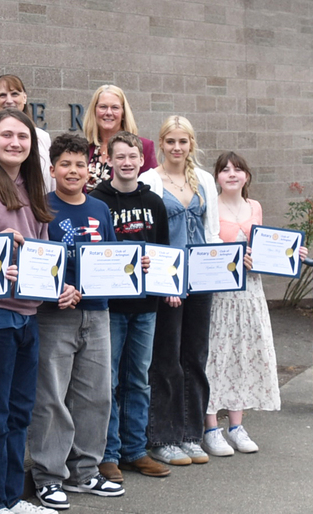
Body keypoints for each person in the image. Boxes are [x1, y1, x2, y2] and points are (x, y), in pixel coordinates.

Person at [0, 108, 76, 514]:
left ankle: (11, 498)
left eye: (23, 137)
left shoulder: (32, 186)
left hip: (27, 314)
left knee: (19, 412)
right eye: (6, 135)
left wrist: (58, 284)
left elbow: (40, 250)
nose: (15, 142)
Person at [29, 133, 127, 510]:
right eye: (65, 164)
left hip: (98, 312)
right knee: (52, 397)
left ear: (90, 169)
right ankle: (49, 476)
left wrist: (135, 267)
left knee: (96, 395)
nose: (73, 171)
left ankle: (86, 472)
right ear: (52, 169)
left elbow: (114, 256)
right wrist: (58, 288)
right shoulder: (41, 207)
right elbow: (37, 262)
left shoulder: (100, 208)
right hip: (54, 315)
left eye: (80, 164)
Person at [201, 152, 306, 457]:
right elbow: (208, 247)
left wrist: (291, 254)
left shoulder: (255, 207)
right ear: (217, 176)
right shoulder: (210, 206)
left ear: (247, 175)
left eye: (237, 169)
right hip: (221, 293)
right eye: (224, 170)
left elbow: (266, 249)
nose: (231, 174)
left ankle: (236, 425)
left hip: (251, 292)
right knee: (215, 356)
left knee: (244, 354)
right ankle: (211, 428)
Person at [88, 131, 171, 482]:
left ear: (141, 161)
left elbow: (165, 250)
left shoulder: (154, 203)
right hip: (111, 306)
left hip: (146, 305)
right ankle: (107, 453)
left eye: (132, 157)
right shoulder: (97, 201)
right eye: (119, 156)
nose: (126, 162)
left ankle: (135, 450)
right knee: (107, 380)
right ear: (109, 160)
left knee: (138, 379)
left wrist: (163, 275)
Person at [139, 115, 221, 467]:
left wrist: (219, 273)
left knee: (195, 357)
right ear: (161, 143)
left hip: (200, 281)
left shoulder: (204, 180)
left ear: (191, 144)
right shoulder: (149, 181)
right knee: (165, 359)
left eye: (183, 141)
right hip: (166, 283)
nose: (177, 148)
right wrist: (162, 282)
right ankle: (163, 437)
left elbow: (212, 232)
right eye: (170, 141)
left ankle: (191, 433)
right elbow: (148, 238)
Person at [83, 85, 157, 191]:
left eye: (115, 107)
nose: (108, 112)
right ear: (94, 111)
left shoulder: (144, 146)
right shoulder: (84, 148)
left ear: (123, 113)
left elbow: (151, 189)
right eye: (103, 107)